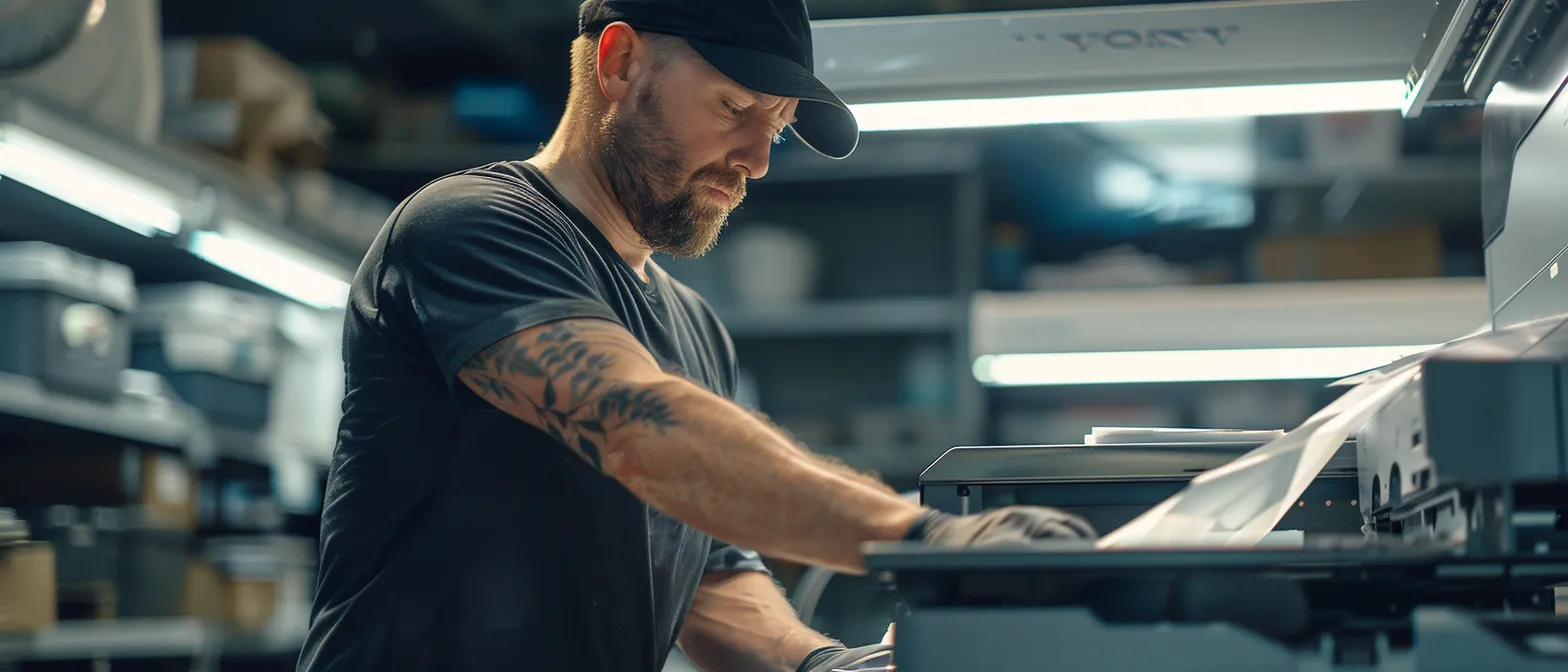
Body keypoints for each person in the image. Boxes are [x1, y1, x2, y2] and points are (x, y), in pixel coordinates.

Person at [296, 0, 1097, 670]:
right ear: (618, 63)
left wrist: (817, 664)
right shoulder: (473, 226)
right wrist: (930, 539)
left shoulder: (693, 326)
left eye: (776, 127)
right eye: (733, 107)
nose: (757, 159)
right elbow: (639, 429)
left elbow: (704, 570)